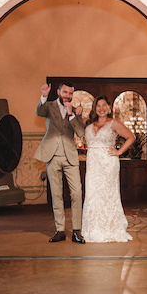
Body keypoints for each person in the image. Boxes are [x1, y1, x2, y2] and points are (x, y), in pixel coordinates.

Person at [35, 82, 86, 244]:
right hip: (52, 155)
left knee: (77, 193)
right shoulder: (48, 106)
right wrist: (44, 95)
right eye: (65, 92)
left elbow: (81, 132)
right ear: (58, 91)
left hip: (70, 156)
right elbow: (39, 111)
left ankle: (77, 231)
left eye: (70, 93)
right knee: (56, 194)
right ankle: (60, 230)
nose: (67, 96)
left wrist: (72, 115)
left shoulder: (76, 110)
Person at [81, 96, 136, 243]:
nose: (101, 108)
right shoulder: (89, 124)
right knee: (93, 194)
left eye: (104, 105)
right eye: (98, 106)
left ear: (109, 107)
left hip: (108, 164)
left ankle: (110, 228)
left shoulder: (114, 123)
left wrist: (119, 151)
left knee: (108, 194)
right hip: (93, 165)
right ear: (94, 108)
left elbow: (131, 137)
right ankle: (93, 229)